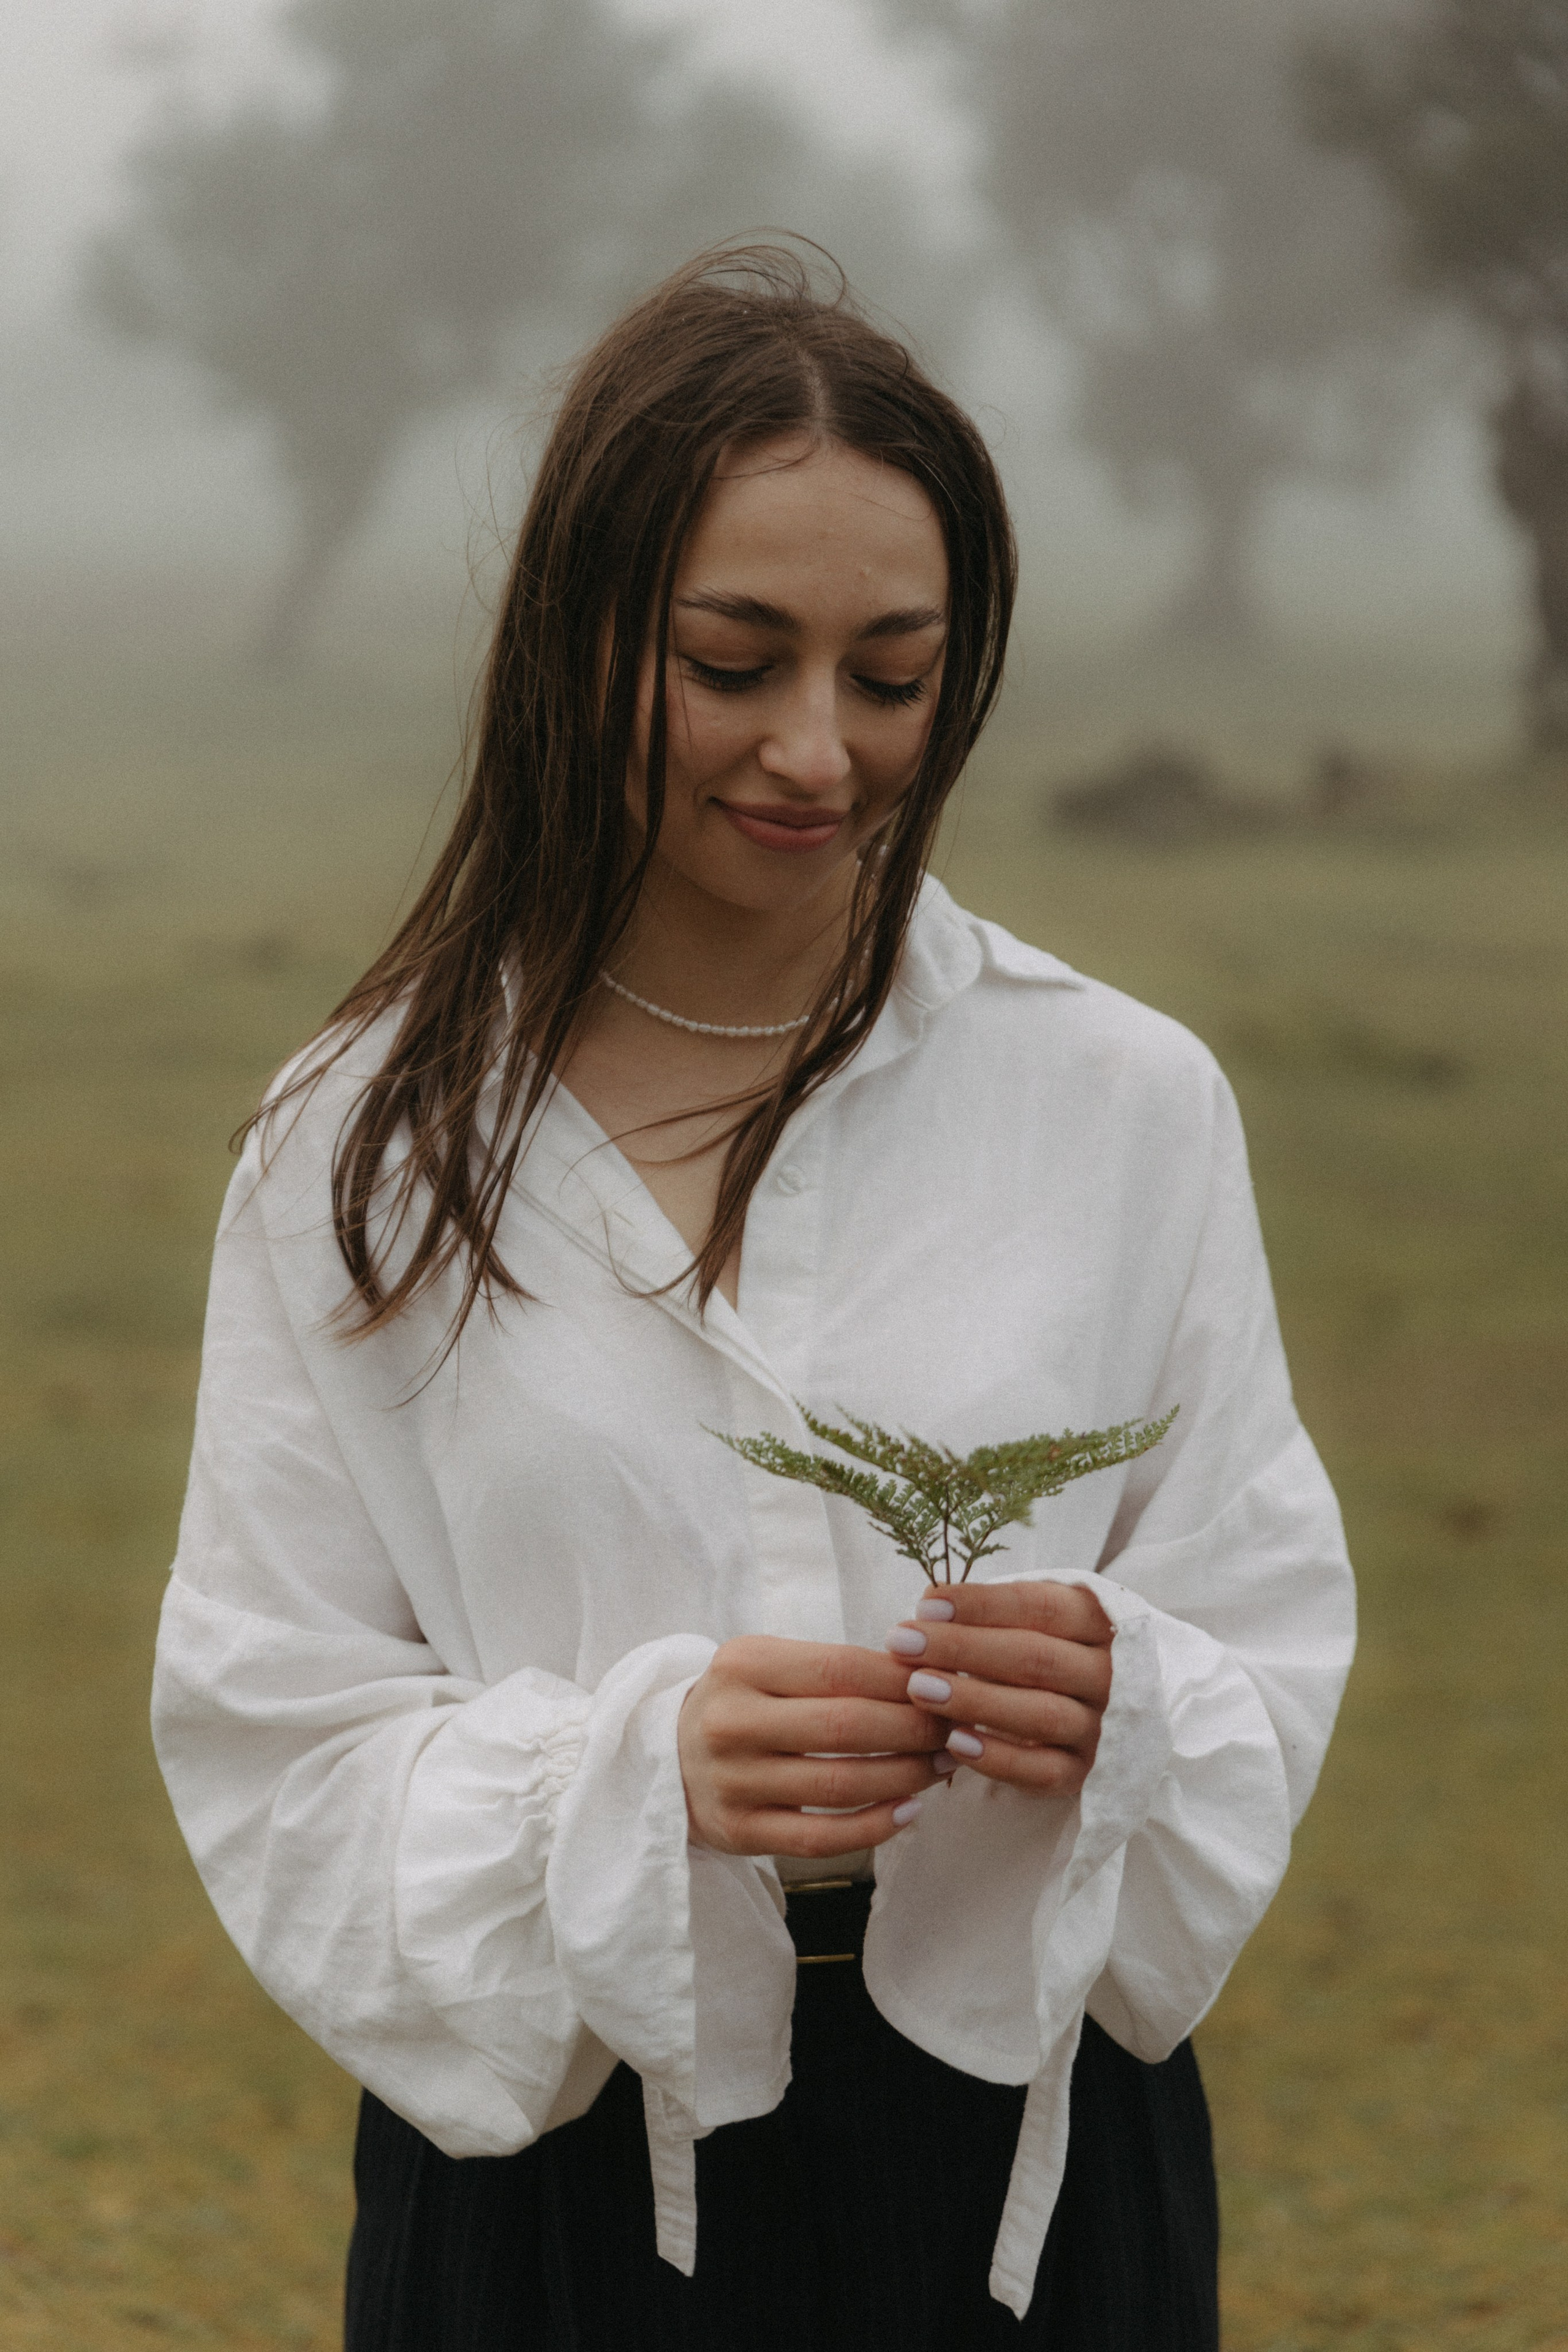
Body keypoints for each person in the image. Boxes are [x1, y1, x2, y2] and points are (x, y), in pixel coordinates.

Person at [152, 244, 1355, 2351]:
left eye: (892, 677)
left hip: (1028, 2166)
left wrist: (1122, 1687)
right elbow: (277, 1739)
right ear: (579, 636)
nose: (819, 751)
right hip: (560, 2177)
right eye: (734, 661)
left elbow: (1263, 1621)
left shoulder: (1123, 1104)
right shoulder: (364, 1151)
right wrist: (640, 1776)